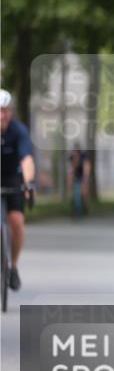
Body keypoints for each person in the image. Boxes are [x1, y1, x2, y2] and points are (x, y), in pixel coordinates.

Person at [0, 89, 35, 292]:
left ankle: (13, 266)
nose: (2, 115)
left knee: (16, 222)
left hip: (13, 177)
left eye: (6, 110)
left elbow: (27, 159)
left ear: (11, 112)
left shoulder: (18, 130)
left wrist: (29, 183)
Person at [68, 146, 91, 216]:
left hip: (83, 177)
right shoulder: (72, 158)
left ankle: (84, 207)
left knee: (84, 194)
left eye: (76, 155)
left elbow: (86, 169)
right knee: (76, 194)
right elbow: (71, 171)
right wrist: (70, 181)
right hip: (76, 178)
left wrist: (85, 180)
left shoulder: (84, 158)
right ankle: (77, 211)